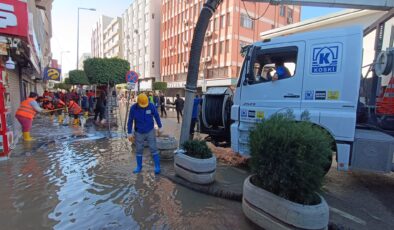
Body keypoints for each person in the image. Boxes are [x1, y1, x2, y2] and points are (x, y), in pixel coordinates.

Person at [127, 93, 163, 174]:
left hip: (150, 130)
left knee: (153, 148)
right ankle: (139, 166)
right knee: (139, 149)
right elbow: (130, 121)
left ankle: (157, 166)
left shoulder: (151, 106)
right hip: (138, 132)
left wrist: (160, 127)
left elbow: (156, 116)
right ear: (138, 102)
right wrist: (129, 132)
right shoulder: (133, 108)